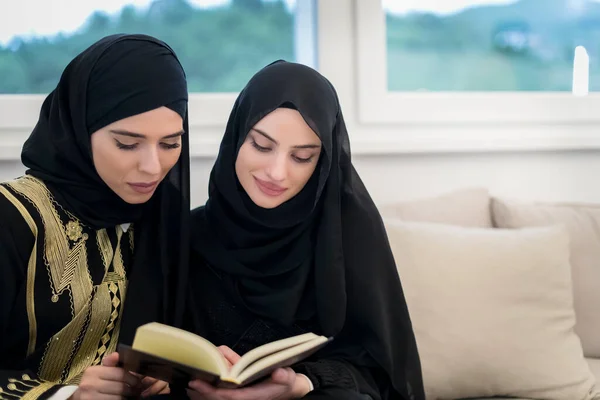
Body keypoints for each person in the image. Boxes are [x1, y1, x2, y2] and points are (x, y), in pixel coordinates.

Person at [186, 60, 425, 400]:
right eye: (262, 146)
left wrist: (299, 383)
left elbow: (381, 373)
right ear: (237, 136)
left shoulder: (347, 235)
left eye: (301, 157)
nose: (277, 172)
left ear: (323, 163)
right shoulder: (186, 236)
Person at [0, 33, 190, 399]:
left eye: (170, 143)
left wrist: (161, 374)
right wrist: (63, 396)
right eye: (127, 143)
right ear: (80, 128)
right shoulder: (12, 219)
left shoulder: (162, 215)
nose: (153, 167)